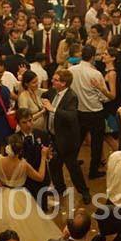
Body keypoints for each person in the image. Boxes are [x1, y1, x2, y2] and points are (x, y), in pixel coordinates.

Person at [0, 133, 60, 241]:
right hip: (20, 196)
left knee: (1, 225)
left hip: (2, 195)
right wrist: (43, 157)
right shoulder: (23, 164)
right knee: (28, 227)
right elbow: (40, 176)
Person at [43, 69, 91, 204]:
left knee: (73, 168)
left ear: (64, 83)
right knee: (54, 165)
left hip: (67, 140)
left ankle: (84, 191)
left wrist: (53, 109)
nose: (52, 81)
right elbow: (41, 94)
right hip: (54, 137)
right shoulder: (53, 92)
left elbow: (71, 116)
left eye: (56, 79)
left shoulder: (71, 96)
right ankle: (59, 188)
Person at [70, 45, 109, 180]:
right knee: (96, 143)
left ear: (81, 55)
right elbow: (104, 96)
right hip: (95, 112)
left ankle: (71, 163)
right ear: (93, 57)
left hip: (79, 111)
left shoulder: (71, 70)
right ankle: (93, 171)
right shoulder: (95, 74)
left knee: (77, 140)